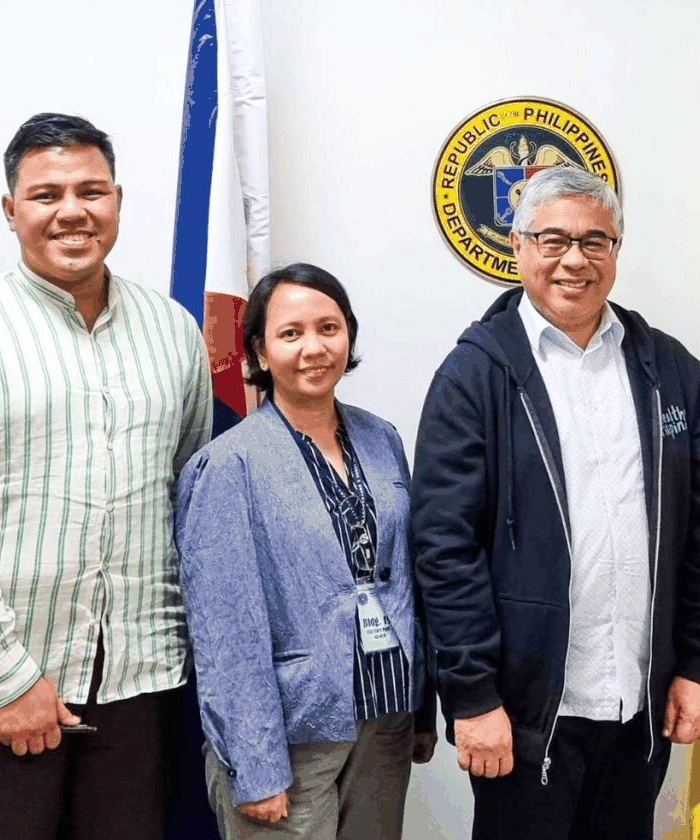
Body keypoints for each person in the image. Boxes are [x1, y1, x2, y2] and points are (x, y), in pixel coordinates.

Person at [0, 113, 211, 839]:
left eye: (91, 190)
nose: (72, 211)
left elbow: (187, 497)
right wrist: (9, 678)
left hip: (139, 681)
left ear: (118, 201)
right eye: (46, 194)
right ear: (11, 210)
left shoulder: (173, 332)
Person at [411, 166, 700, 839]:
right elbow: (444, 548)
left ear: (616, 251)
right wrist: (472, 695)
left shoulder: (670, 371)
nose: (574, 259)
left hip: (638, 708)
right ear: (519, 245)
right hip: (526, 716)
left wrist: (699, 665)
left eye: (596, 242)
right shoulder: (475, 374)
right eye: (553, 238)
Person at [176, 263, 436, 839]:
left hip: (385, 719)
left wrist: (422, 710)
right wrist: (255, 764)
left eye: (329, 328)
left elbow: (409, 584)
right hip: (290, 737)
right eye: (291, 334)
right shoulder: (227, 466)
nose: (314, 347)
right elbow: (226, 631)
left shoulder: (381, 438)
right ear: (261, 355)